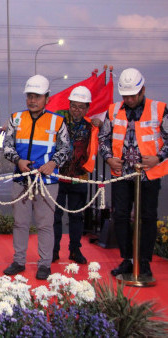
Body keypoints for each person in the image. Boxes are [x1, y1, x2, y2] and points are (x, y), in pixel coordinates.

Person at [99, 68, 168, 278]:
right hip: (122, 174)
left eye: (132, 95)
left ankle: (144, 262)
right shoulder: (112, 111)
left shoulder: (160, 109)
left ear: (142, 90)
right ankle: (128, 259)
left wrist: (158, 157)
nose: (128, 100)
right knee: (120, 216)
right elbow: (103, 139)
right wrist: (109, 157)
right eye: (125, 96)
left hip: (149, 174)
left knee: (147, 217)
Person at [3, 75, 71, 280]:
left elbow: (66, 148)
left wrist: (53, 163)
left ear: (47, 98)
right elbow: (7, 146)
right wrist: (18, 161)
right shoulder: (16, 118)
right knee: (20, 223)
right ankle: (19, 261)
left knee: (44, 224)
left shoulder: (57, 121)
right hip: (21, 180)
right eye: (29, 96)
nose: (32, 100)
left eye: (37, 96)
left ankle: (44, 264)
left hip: (47, 183)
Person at [52, 86, 102, 265]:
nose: (77, 110)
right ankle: (54, 250)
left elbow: (109, 134)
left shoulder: (91, 126)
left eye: (81, 107)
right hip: (57, 177)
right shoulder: (57, 119)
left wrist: (101, 124)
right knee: (55, 216)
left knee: (76, 216)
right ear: (69, 105)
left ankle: (75, 250)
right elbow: (39, 120)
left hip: (79, 178)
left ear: (88, 108)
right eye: (74, 106)